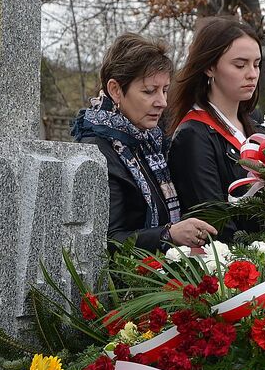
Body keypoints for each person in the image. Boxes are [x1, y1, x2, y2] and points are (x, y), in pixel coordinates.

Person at [71, 33, 217, 252]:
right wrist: (168, 235)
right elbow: (105, 242)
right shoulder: (96, 151)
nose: (162, 102)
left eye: (165, 90)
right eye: (149, 91)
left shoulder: (150, 140)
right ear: (116, 90)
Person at [166, 17, 262, 241]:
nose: (252, 74)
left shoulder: (255, 125)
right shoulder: (193, 135)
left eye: (256, 64)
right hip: (235, 263)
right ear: (210, 67)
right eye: (240, 65)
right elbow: (215, 222)